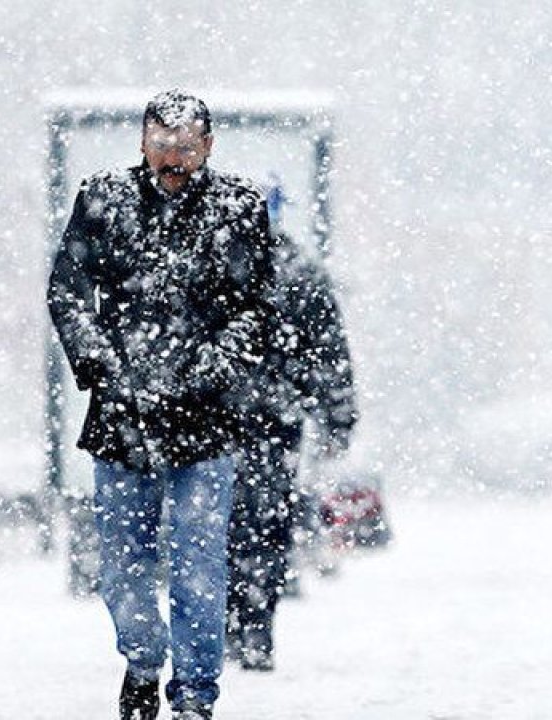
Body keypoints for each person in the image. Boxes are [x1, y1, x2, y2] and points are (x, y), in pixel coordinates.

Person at [47, 89, 277, 720]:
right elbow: (67, 291)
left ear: (208, 145)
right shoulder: (103, 199)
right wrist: (100, 363)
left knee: (200, 562)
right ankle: (144, 658)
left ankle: (196, 695)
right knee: (124, 565)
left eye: (184, 146)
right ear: (142, 141)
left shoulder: (239, 207)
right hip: (123, 415)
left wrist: (212, 366)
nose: (172, 159)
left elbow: (257, 306)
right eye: (161, 144)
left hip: (208, 415)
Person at [226, 180, 358, 672]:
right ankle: (255, 623)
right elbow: (331, 354)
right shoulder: (300, 271)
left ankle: (231, 623)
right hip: (273, 421)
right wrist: (336, 416)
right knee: (265, 523)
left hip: (225, 420)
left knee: (225, 523)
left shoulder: (221, 267)